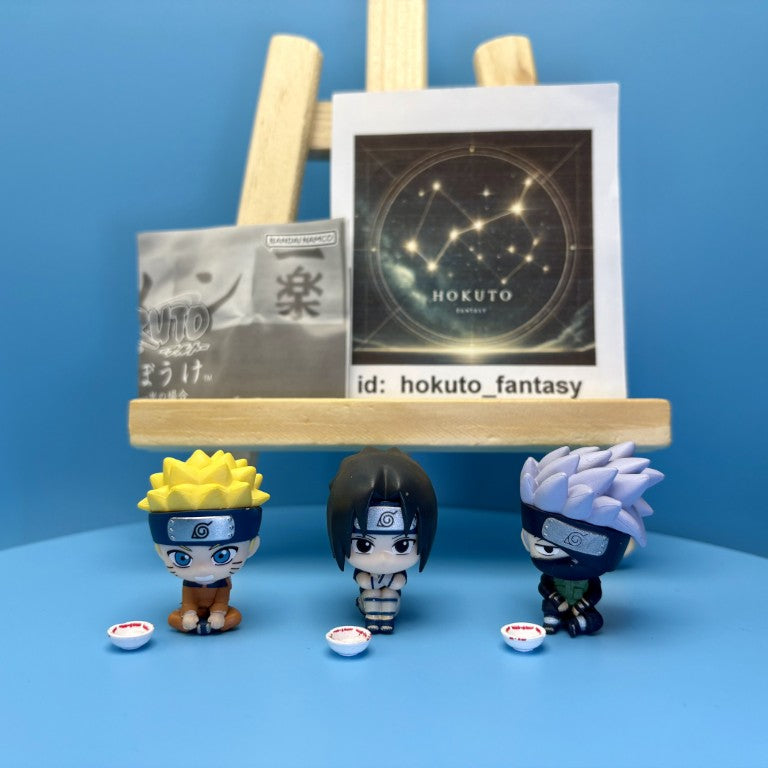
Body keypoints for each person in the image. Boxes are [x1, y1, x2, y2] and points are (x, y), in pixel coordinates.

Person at [327, 447, 438, 634]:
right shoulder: (367, 572)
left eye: (402, 545)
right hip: (369, 595)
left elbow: (399, 582)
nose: (383, 558)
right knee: (371, 595)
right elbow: (362, 579)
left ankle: (386, 619)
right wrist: (372, 583)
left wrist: (390, 583)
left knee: (389, 597)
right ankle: (372, 618)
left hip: (390, 597)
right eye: (363, 545)